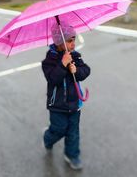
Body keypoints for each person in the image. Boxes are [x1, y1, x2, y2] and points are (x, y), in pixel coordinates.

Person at [41, 21, 91, 170]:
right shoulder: (48, 61)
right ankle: (48, 138)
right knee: (59, 129)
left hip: (75, 103)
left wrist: (76, 71)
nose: (73, 43)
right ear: (58, 42)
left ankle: (72, 155)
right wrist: (62, 65)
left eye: (74, 39)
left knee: (73, 132)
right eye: (69, 40)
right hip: (57, 105)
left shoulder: (75, 56)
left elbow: (86, 70)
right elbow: (53, 79)